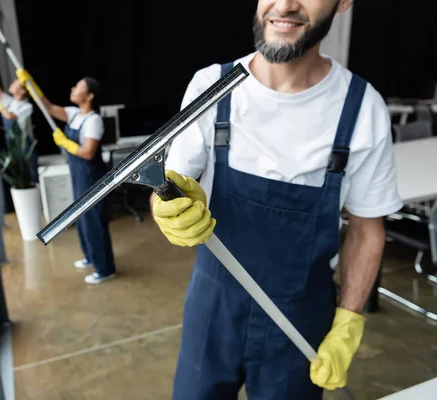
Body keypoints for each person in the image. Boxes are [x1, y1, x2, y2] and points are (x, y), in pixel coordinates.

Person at [150, 0, 402, 399]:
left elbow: (367, 229)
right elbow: (168, 184)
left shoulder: (361, 107)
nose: (284, 4)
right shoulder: (211, 87)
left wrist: (349, 319)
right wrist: (167, 209)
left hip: (301, 316)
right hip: (213, 307)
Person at [40, 77, 117, 285]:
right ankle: (91, 257)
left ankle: (105, 268)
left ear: (89, 96)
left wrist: (66, 143)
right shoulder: (74, 114)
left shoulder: (93, 120)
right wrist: (31, 86)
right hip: (78, 174)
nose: (73, 89)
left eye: (79, 87)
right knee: (82, 217)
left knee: (93, 220)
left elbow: (89, 152)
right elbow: (47, 107)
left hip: (91, 175)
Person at [0, 71, 37, 183]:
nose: (12, 84)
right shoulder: (10, 102)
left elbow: (10, 116)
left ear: (22, 90)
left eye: (15, 83)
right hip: (11, 144)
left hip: (23, 146)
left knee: (29, 176)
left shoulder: (27, 106)